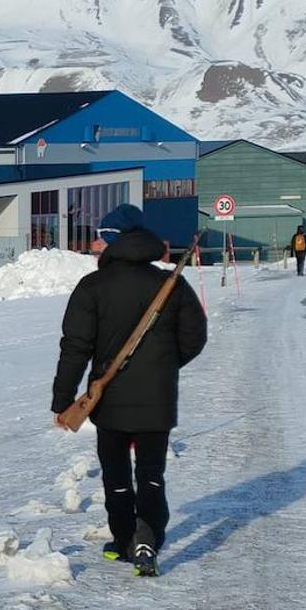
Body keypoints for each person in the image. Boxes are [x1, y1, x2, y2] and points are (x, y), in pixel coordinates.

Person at [51, 204, 208, 577]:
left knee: (116, 474)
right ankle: (147, 539)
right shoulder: (171, 283)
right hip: (158, 397)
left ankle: (124, 540)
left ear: (114, 242)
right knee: (152, 473)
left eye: (101, 238)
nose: (94, 244)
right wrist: (164, 366)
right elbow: (194, 337)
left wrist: (62, 400)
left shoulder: (93, 287)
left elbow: (75, 347)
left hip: (111, 400)